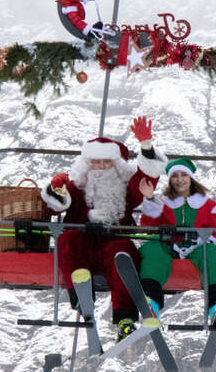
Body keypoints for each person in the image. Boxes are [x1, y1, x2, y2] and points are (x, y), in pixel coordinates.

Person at [41, 117, 167, 341]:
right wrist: (54, 190)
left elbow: (146, 177)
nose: (100, 167)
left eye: (106, 162)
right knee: (68, 239)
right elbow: (51, 208)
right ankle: (81, 295)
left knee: (122, 252)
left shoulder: (125, 189)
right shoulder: (76, 187)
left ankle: (124, 318)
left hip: (113, 244)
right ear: (87, 164)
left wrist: (146, 145)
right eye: (95, 162)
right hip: (83, 247)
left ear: (116, 165)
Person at [138, 157, 216, 320]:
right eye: (175, 176)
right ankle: (151, 302)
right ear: (170, 180)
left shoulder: (209, 206)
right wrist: (151, 199)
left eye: (183, 175)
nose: (179, 180)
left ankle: (215, 306)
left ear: (191, 177)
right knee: (150, 249)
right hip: (169, 248)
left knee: (215, 253)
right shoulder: (162, 204)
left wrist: (201, 239)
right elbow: (148, 226)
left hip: (197, 248)